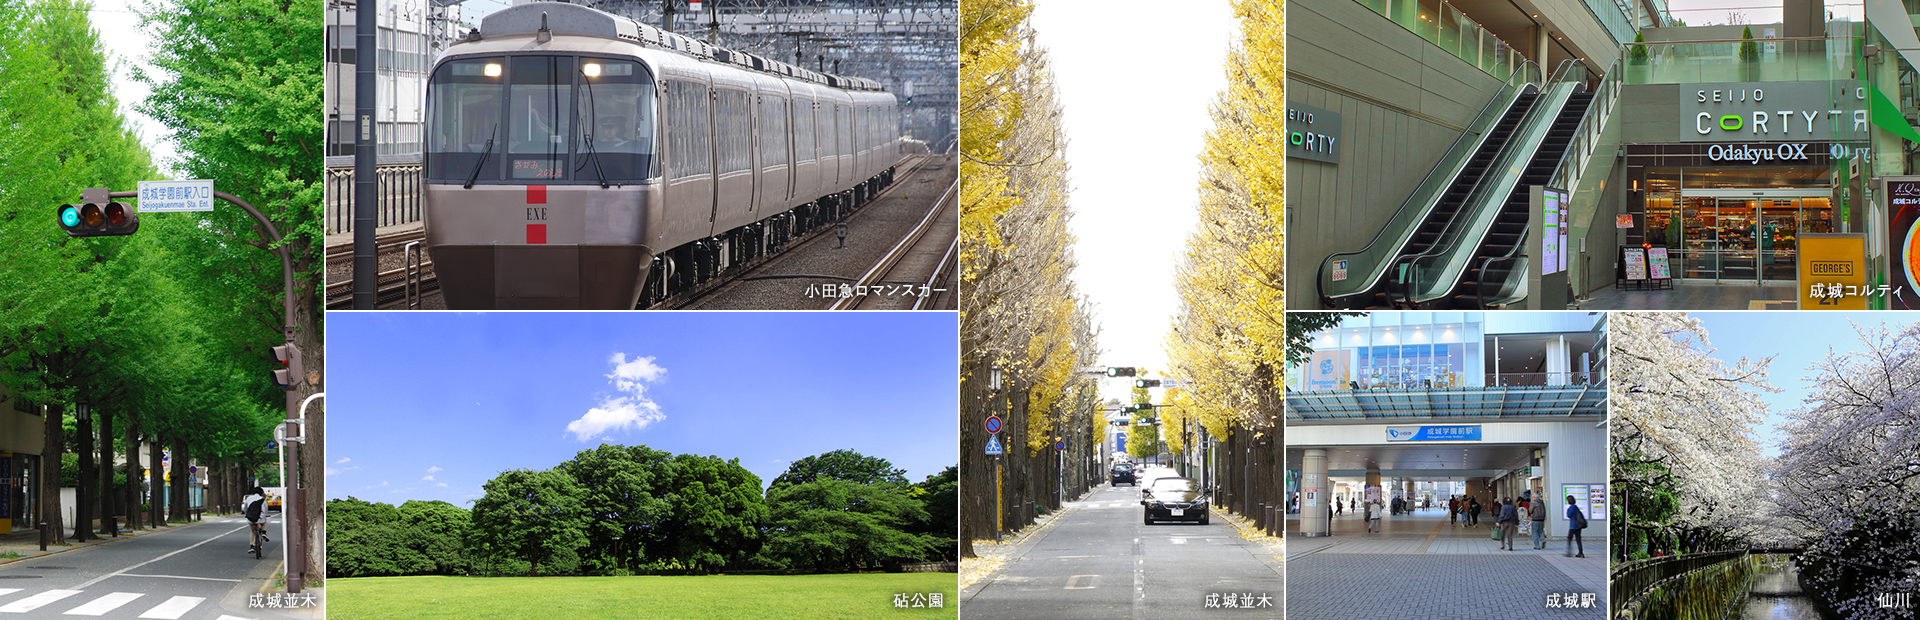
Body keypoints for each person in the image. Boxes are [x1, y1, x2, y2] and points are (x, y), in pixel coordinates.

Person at [241, 486, 268, 554]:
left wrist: (247, 515)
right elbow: (265, 510)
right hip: (260, 518)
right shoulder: (262, 499)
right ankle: (264, 533)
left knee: (252, 531)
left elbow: (245, 509)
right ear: (261, 493)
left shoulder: (248, 498)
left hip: (251, 518)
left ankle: (251, 546)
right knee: (264, 521)